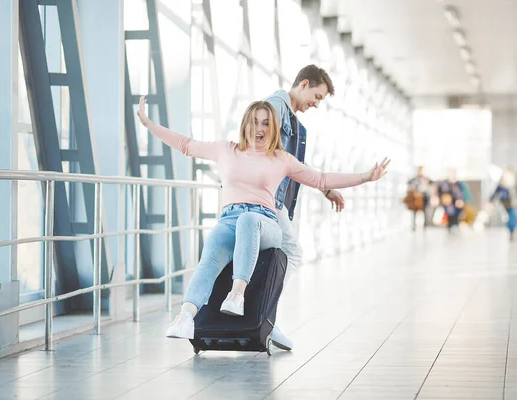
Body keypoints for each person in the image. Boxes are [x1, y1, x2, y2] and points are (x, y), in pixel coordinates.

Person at [136, 96, 391, 340]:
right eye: (255, 121)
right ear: (245, 125)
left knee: (248, 219)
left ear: (274, 128)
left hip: (265, 222)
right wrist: (149, 124)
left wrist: (365, 176)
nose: (260, 128)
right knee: (212, 249)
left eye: (266, 123)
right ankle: (185, 317)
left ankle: (237, 295)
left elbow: (321, 179)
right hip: (229, 220)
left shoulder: (281, 159)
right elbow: (185, 145)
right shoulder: (226, 150)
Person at [264, 65, 343, 351]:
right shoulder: (275, 107)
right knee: (292, 252)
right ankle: (264, 318)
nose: (316, 103)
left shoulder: (294, 123)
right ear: (304, 83)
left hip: (272, 198)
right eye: (317, 96)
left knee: (274, 257)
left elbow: (295, 167)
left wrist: (325, 187)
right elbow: (261, 151)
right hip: (267, 199)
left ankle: (263, 318)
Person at [488, 168, 516, 241]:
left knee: (512, 219)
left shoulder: (511, 187)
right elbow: (494, 195)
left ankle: (512, 232)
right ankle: (511, 232)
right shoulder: (500, 187)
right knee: (510, 220)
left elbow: (511, 197)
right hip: (506, 206)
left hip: (513, 206)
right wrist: (491, 202)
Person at [437, 168, 467, 233]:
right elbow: (441, 193)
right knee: (450, 210)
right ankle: (451, 225)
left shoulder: (459, 184)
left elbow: (462, 194)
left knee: (457, 211)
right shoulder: (444, 183)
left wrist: (460, 200)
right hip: (448, 203)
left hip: (457, 203)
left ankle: (455, 224)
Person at [405, 166, 432, 230]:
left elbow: (430, 187)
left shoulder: (426, 179)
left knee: (425, 212)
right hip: (415, 199)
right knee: (414, 212)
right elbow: (409, 186)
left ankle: (425, 226)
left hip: (424, 198)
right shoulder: (413, 179)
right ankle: (414, 226)